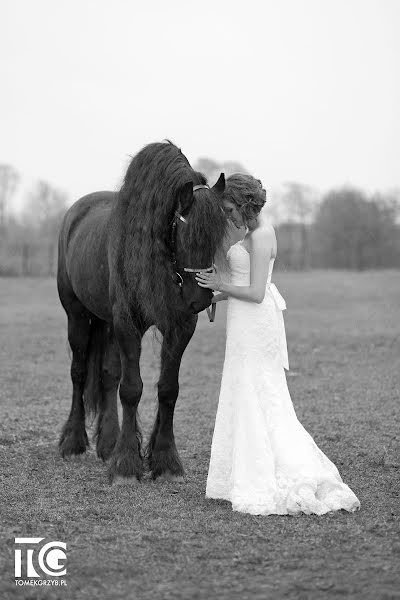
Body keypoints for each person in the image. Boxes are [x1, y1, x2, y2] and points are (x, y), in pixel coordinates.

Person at [195, 174, 360, 516]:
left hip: (256, 322)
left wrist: (220, 281)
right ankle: (235, 475)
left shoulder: (264, 234)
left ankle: (270, 473)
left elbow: (256, 293)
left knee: (260, 391)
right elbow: (243, 286)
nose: (228, 216)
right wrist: (215, 293)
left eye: (229, 209)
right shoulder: (251, 235)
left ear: (243, 203)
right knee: (243, 387)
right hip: (242, 322)